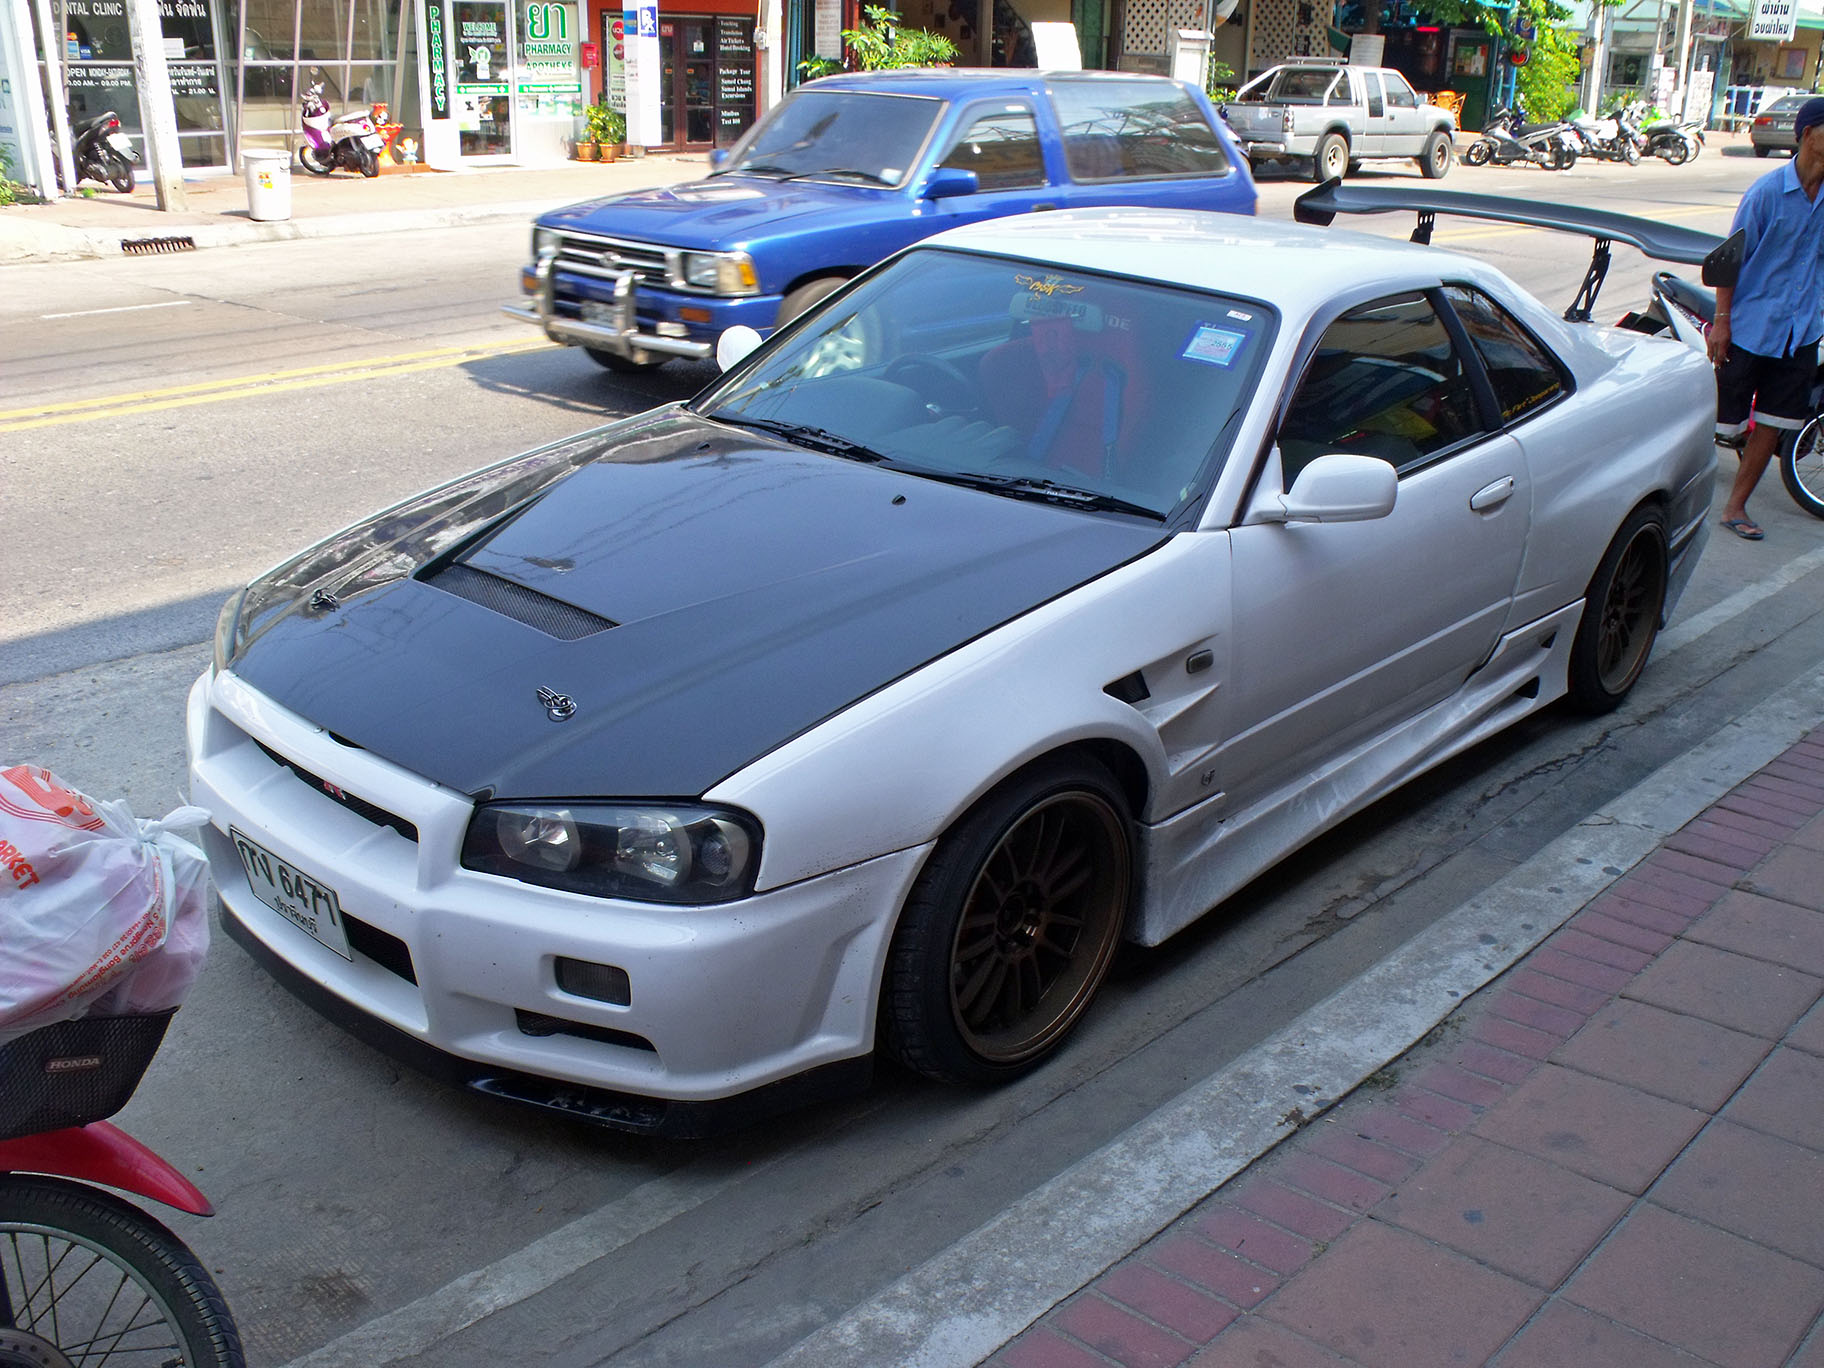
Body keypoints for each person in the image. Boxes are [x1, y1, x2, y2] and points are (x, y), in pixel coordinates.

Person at [1707, 96, 1824, 540]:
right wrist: (1722, 320)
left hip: (1802, 332)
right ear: (1808, 135)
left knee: (1774, 424)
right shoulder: (1767, 194)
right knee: (1720, 423)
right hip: (1751, 327)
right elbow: (1729, 260)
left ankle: (1735, 507)